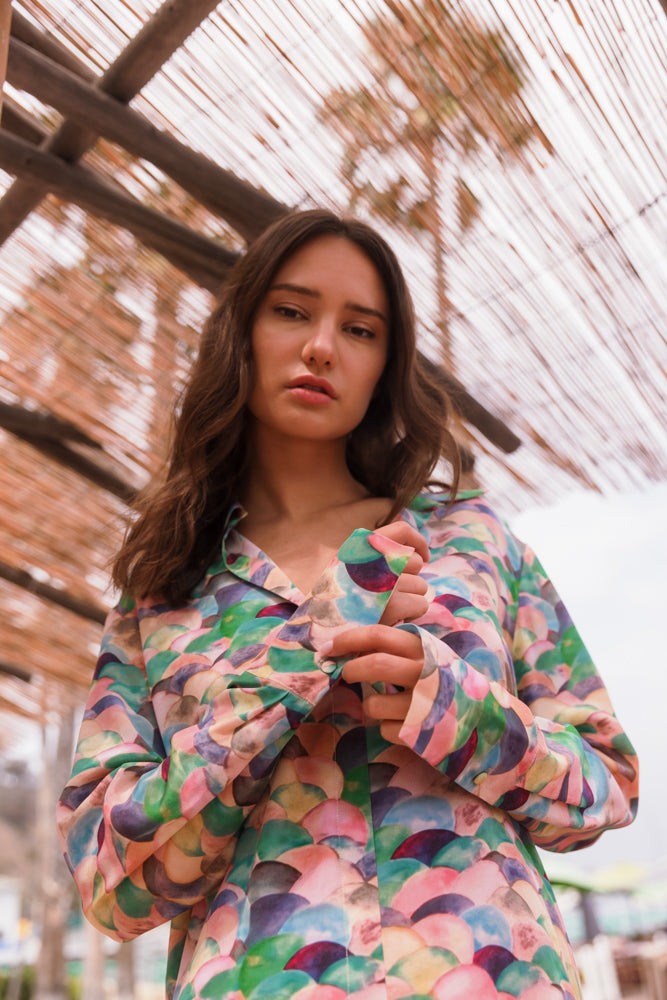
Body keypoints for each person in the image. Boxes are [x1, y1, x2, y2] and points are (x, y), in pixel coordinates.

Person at [57, 208, 638, 1000]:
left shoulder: (472, 543)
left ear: (383, 366)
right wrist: (304, 651)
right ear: (241, 334)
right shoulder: (163, 592)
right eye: (291, 311)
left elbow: (604, 787)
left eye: (360, 330)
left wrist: (447, 703)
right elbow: (109, 884)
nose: (322, 346)